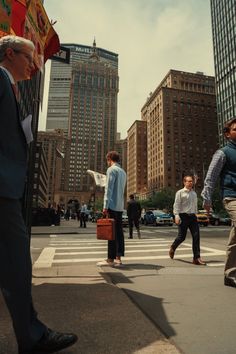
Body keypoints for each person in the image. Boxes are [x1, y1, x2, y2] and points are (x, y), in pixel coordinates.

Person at [0, 35, 77, 354]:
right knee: (16, 263)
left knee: (13, 263)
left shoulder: (10, 87)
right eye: (28, 58)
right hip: (2, 189)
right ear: (9, 54)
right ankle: (32, 337)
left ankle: (32, 335)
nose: (33, 65)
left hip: (8, 187)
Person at [201, 117, 236, 288]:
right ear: (228, 134)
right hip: (232, 197)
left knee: (235, 237)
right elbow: (211, 177)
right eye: (235, 129)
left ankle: (230, 275)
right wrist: (207, 199)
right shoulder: (222, 153)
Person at [97, 151, 126, 267]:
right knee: (119, 232)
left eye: (107, 160)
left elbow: (108, 189)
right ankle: (118, 258)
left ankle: (110, 259)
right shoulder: (123, 172)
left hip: (112, 205)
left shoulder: (111, 170)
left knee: (111, 232)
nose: (107, 163)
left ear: (109, 159)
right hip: (120, 206)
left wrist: (105, 206)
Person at [169, 175, 206, 265]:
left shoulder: (194, 193)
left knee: (196, 236)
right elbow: (176, 205)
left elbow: (195, 205)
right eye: (188, 181)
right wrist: (176, 216)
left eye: (191, 181)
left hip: (192, 217)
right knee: (182, 237)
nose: (190, 183)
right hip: (183, 216)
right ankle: (173, 247)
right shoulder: (180, 193)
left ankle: (196, 258)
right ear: (184, 182)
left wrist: (196, 214)